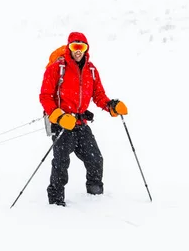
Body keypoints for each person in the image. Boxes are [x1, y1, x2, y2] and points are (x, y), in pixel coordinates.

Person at [39, 31, 128, 206]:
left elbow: (98, 95)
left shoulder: (91, 70)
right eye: (74, 46)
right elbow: (45, 96)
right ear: (69, 48)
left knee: (95, 159)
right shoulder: (57, 68)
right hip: (62, 124)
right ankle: (56, 202)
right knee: (61, 163)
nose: (78, 51)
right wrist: (58, 115)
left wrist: (111, 106)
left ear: (86, 49)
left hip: (80, 123)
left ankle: (95, 195)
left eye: (82, 47)